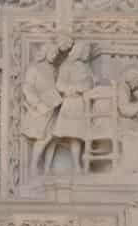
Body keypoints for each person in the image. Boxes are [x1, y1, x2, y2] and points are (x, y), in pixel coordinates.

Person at [52, 41, 94, 173]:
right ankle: (76, 165)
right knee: (74, 134)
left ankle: (82, 165)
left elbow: (90, 82)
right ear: (80, 50)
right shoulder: (67, 65)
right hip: (72, 103)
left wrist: (89, 84)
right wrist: (76, 88)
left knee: (81, 135)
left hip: (84, 104)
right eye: (86, 51)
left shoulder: (85, 67)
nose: (87, 55)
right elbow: (59, 85)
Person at [21, 52, 61, 173]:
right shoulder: (35, 68)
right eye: (52, 50)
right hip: (41, 108)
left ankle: (47, 169)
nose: (54, 54)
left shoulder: (53, 69)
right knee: (42, 138)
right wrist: (38, 104)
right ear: (45, 51)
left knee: (53, 138)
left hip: (54, 105)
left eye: (56, 52)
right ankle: (33, 167)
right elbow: (27, 87)